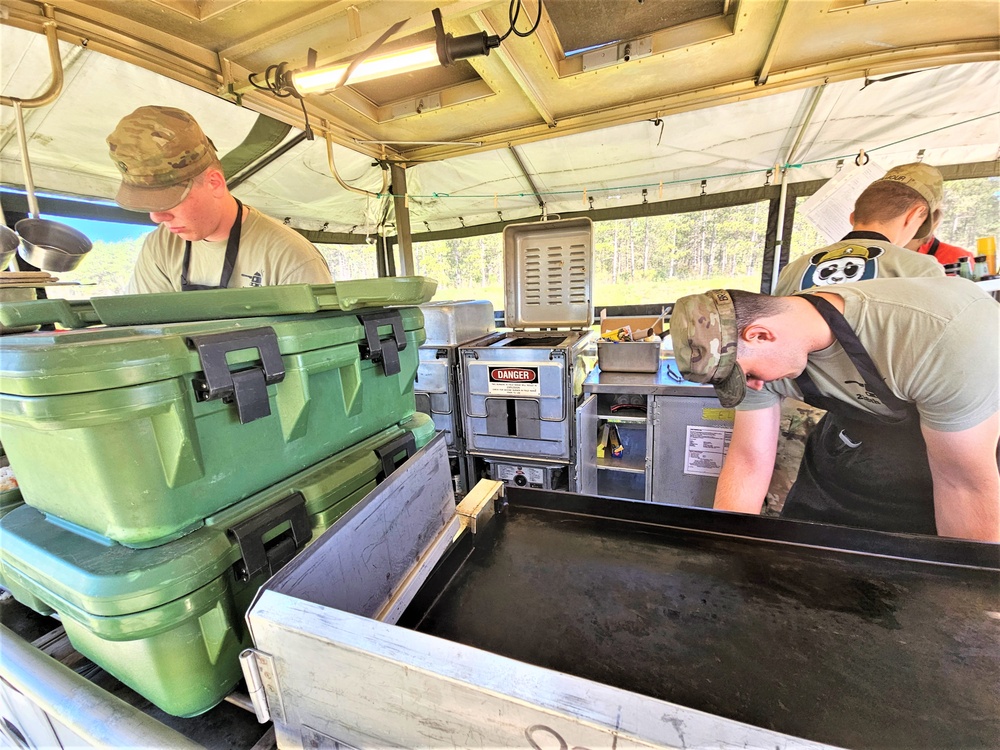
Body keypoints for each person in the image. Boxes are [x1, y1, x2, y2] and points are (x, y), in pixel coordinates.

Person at [670, 279, 1000, 542]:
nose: (754, 386)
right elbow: (748, 459)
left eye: (751, 375)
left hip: (962, 447)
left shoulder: (936, 337)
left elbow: (963, 484)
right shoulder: (765, 350)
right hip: (851, 441)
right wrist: (727, 549)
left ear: (759, 335)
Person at [107, 106, 333, 293]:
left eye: (169, 200)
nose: (157, 217)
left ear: (214, 183)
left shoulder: (289, 257)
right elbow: (151, 334)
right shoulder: (160, 247)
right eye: (149, 204)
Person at [775, 162, 944, 296]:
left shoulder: (792, 270)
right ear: (914, 215)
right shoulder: (921, 270)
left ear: (852, 217)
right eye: (919, 226)